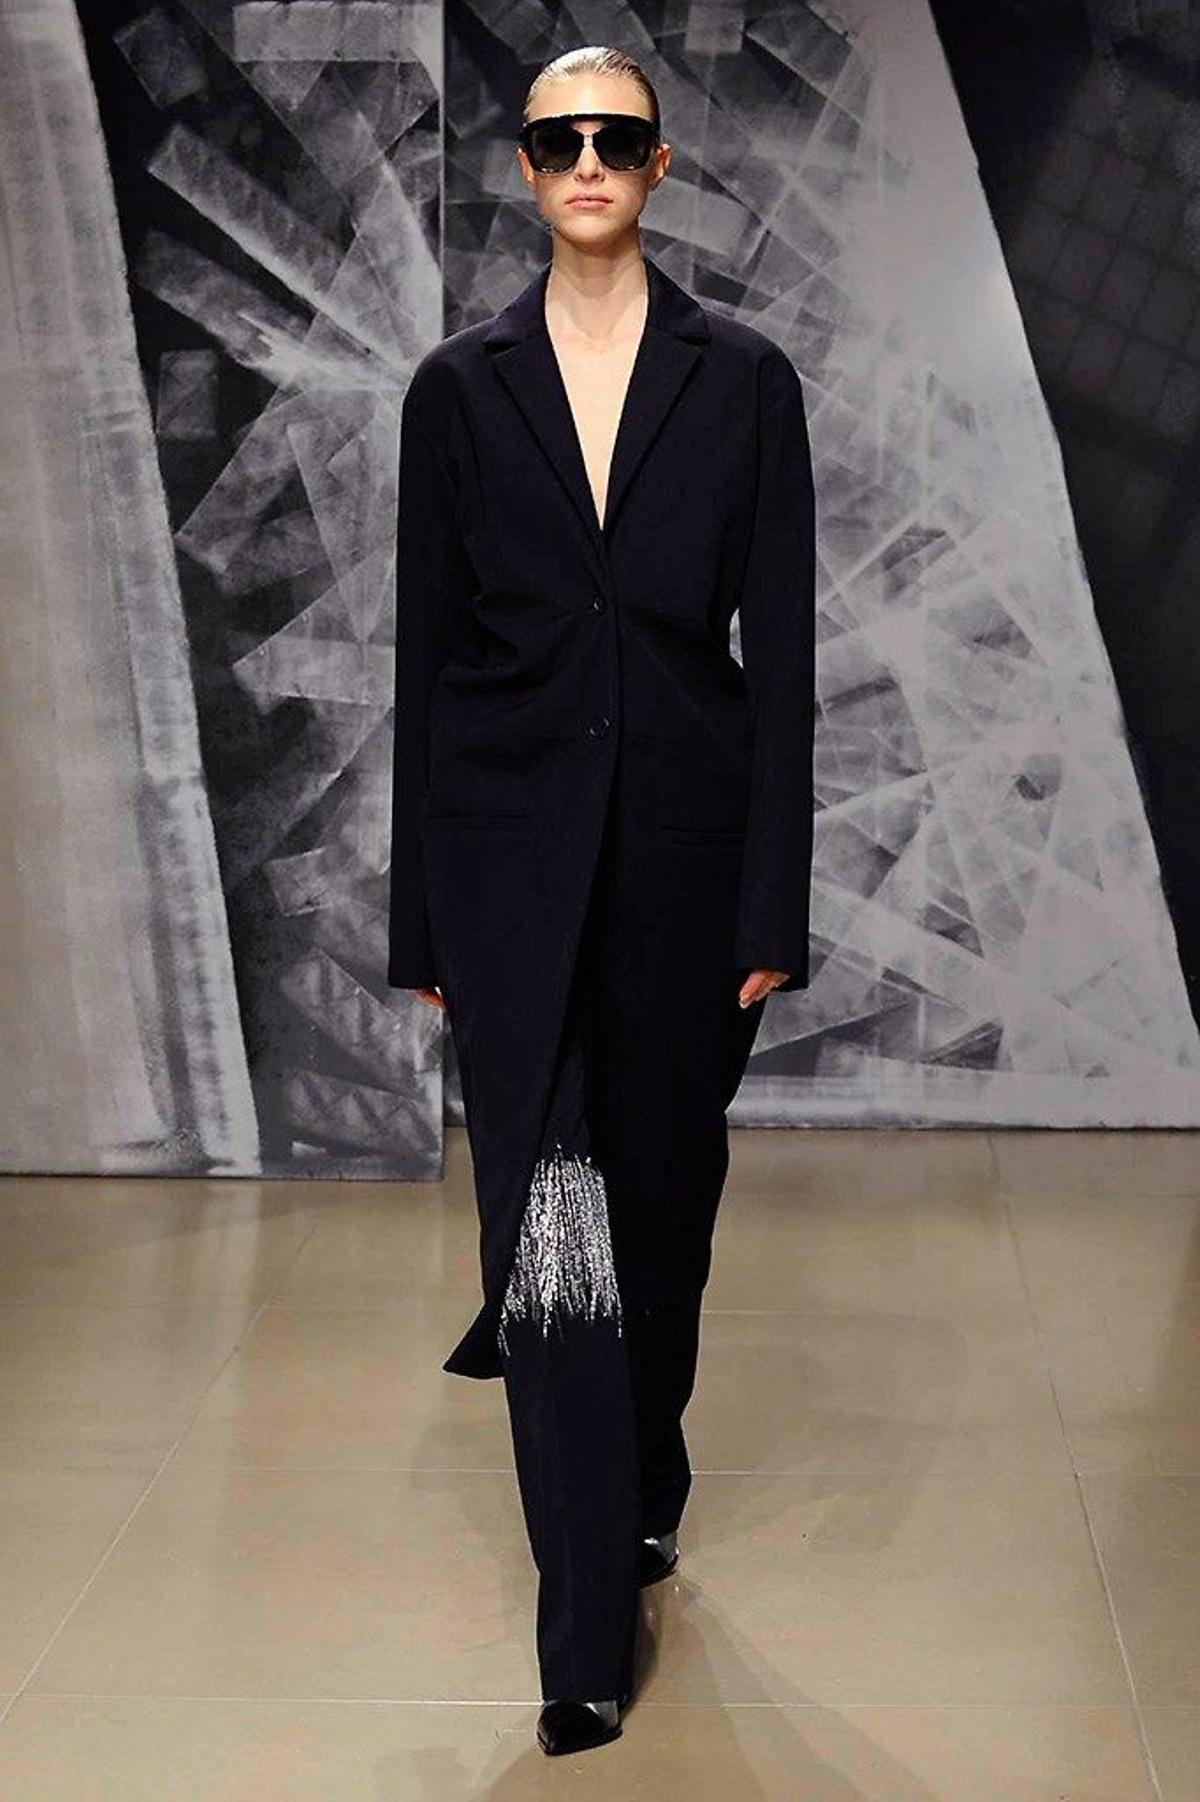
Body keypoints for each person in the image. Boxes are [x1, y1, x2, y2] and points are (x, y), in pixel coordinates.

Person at [387, 44, 816, 1758]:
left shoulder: (746, 380)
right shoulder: (457, 388)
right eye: (558, 137)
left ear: (656, 166)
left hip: (685, 865)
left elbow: (784, 663)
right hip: (504, 860)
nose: (585, 160)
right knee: (550, 1221)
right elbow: (426, 658)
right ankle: (582, 1626)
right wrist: (421, 919)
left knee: (662, 1204)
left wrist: (771, 902)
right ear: (523, 165)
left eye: (615, 138)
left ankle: (642, 1478)